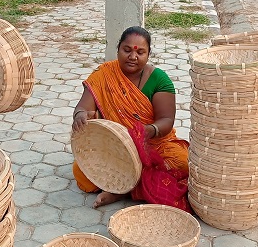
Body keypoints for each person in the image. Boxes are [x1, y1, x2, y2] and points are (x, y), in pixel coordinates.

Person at [72, 27, 190, 211]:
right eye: (127, 50)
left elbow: (166, 120)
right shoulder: (103, 75)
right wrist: (80, 115)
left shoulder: (159, 80)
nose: (133, 56)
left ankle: (122, 190)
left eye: (140, 52)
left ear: (148, 54)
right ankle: (131, 185)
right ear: (118, 49)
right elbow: (83, 106)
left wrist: (146, 131)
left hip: (153, 144)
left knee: (183, 163)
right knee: (82, 174)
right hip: (116, 146)